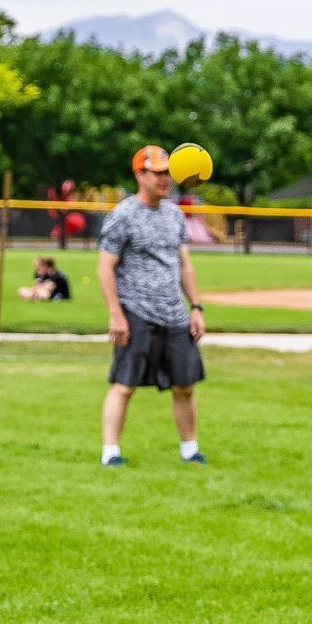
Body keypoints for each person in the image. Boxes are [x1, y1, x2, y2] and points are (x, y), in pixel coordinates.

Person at [97, 145, 206, 467]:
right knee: (125, 386)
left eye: (167, 173)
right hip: (136, 312)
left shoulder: (174, 214)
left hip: (173, 313)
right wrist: (116, 314)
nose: (165, 179)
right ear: (139, 175)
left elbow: (184, 264)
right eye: (157, 173)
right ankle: (110, 452)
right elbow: (104, 267)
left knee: (184, 386)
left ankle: (190, 450)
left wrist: (196, 307)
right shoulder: (123, 216)